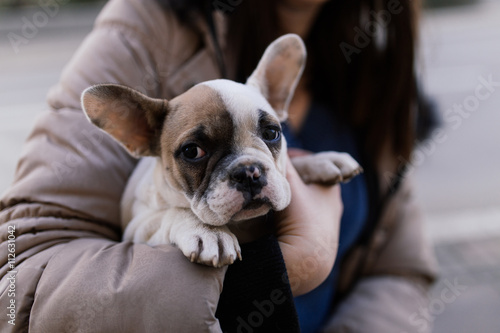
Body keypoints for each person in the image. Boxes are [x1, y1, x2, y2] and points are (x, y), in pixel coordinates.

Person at [0, 0, 438, 332]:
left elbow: (400, 271)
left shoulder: (374, 76)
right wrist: (292, 264)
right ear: (139, 134)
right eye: (195, 152)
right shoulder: (150, 22)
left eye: (269, 134)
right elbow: (14, 286)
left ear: (277, 104)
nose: (250, 173)